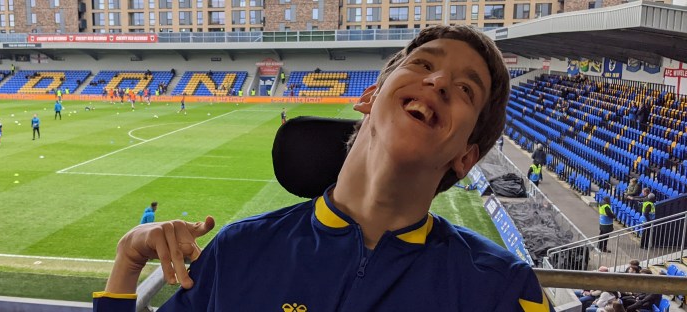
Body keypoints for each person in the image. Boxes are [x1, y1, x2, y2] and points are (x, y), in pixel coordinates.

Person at [96, 25, 552, 311]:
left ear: (466, 157)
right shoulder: (239, 251)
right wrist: (127, 263)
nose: (437, 82)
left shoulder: (502, 291)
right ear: (370, 98)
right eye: (423, 64)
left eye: (466, 90)